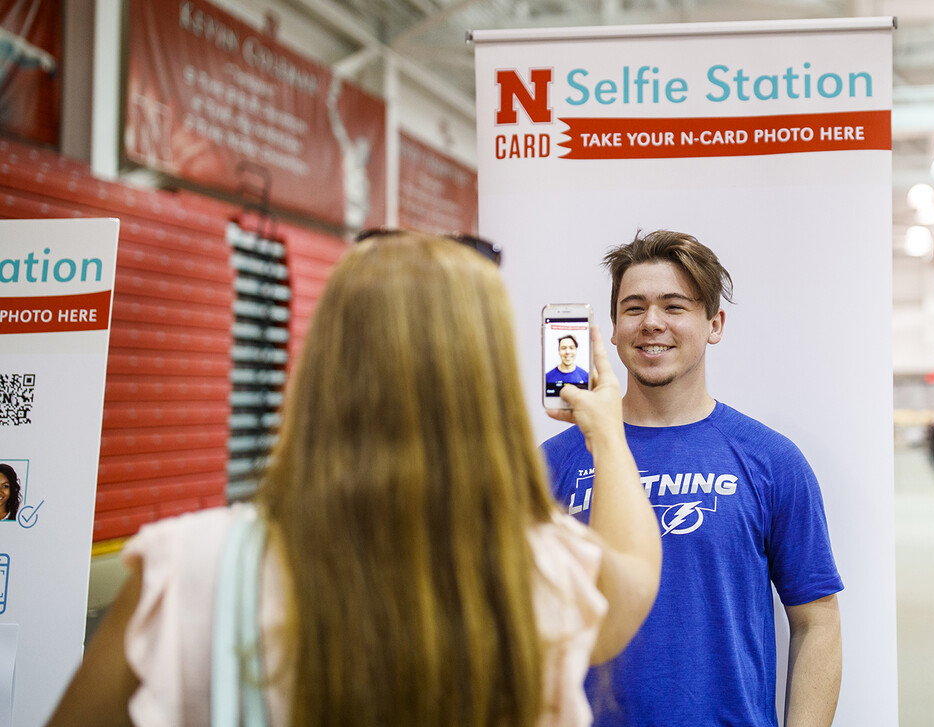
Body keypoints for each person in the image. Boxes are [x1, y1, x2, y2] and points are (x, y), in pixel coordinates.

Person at [47, 231, 661, 727]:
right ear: (488, 382)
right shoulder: (541, 570)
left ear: (324, 363)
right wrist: (605, 428)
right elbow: (635, 570)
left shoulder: (188, 567)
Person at [543, 230, 843, 726]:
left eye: (674, 306)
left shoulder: (770, 460)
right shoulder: (551, 464)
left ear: (714, 324)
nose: (652, 323)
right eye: (633, 308)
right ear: (613, 328)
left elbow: (817, 622)